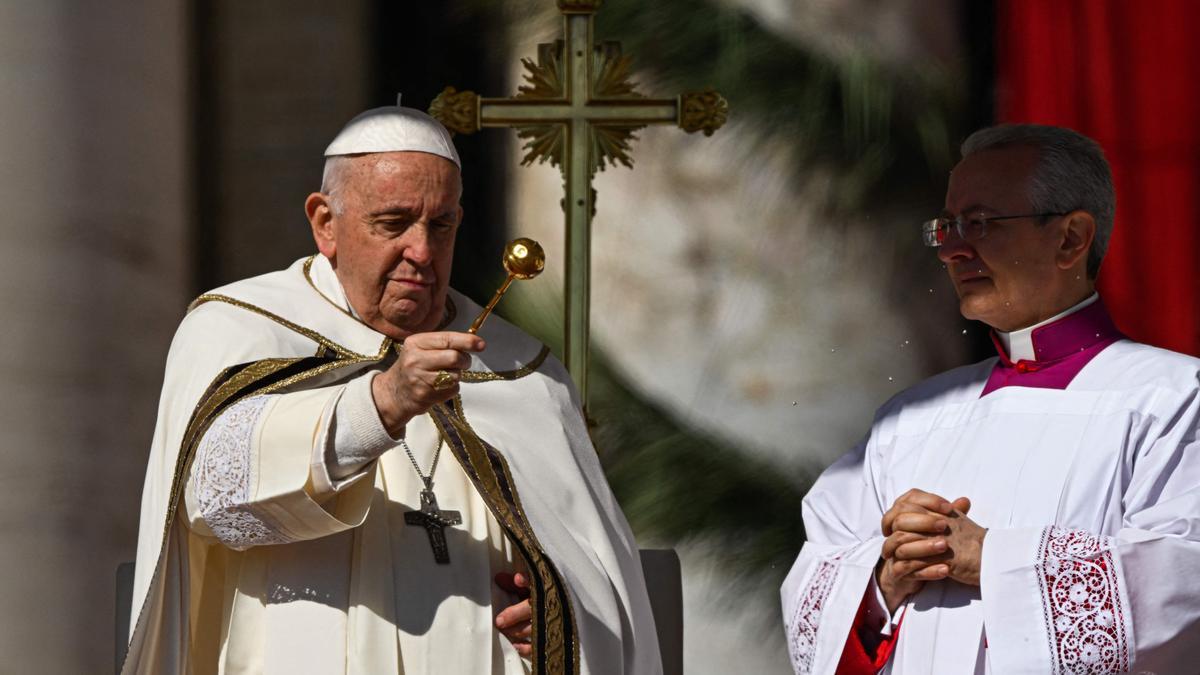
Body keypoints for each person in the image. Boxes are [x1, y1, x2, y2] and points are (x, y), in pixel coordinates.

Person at [123, 103, 662, 674]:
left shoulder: (524, 371)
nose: (422, 252)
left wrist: (558, 611)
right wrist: (380, 405)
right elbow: (212, 501)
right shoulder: (240, 328)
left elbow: (602, 574)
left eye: (442, 225)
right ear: (325, 222)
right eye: (393, 223)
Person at [780, 124, 1200, 674]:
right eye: (947, 227)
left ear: (1071, 239)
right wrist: (886, 575)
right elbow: (819, 572)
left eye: (979, 224)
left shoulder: (1172, 399)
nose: (952, 251)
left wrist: (991, 558)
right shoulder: (910, 419)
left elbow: (1182, 579)